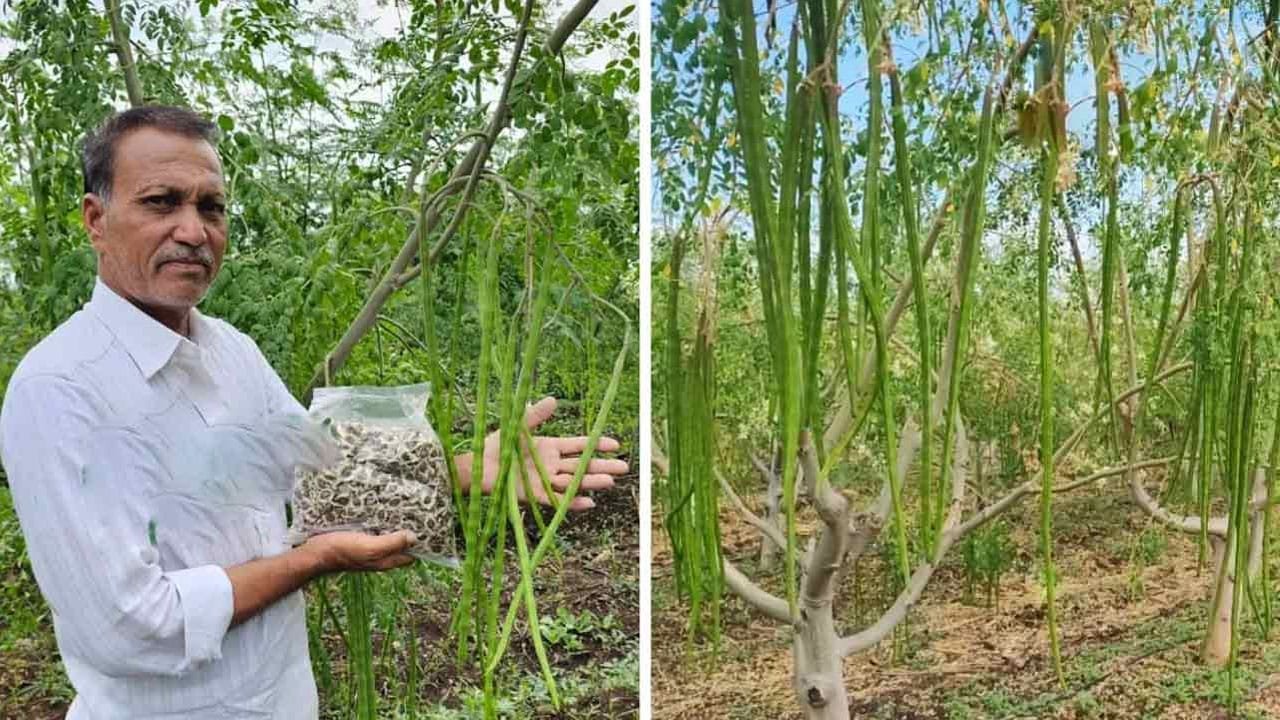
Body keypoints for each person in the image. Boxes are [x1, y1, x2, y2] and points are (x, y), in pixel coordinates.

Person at [0, 105, 628, 720]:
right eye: (162, 202)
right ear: (95, 220)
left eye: (210, 206)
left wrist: (460, 469)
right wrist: (313, 561)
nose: (193, 230)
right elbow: (129, 628)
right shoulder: (59, 389)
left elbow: (317, 478)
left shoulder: (231, 352)